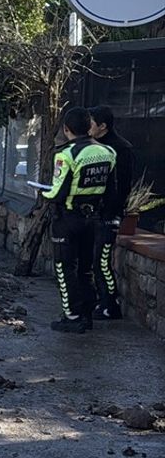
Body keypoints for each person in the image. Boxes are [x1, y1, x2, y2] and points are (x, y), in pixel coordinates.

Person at [43, 107, 117, 333]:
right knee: (86, 268)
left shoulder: (66, 154)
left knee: (64, 268)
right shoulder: (108, 152)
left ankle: (72, 315)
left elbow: (58, 192)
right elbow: (111, 191)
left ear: (66, 129)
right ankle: (87, 313)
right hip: (93, 218)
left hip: (68, 218)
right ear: (88, 127)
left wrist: (43, 193)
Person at [90, 105, 136, 320]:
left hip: (109, 214)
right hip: (94, 213)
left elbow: (121, 186)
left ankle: (110, 302)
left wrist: (111, 210)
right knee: (93, 260)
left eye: (91, 123)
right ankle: (99, 300)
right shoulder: (94, 146)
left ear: (102, 126)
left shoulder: (120, 149)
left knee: (102, 260)